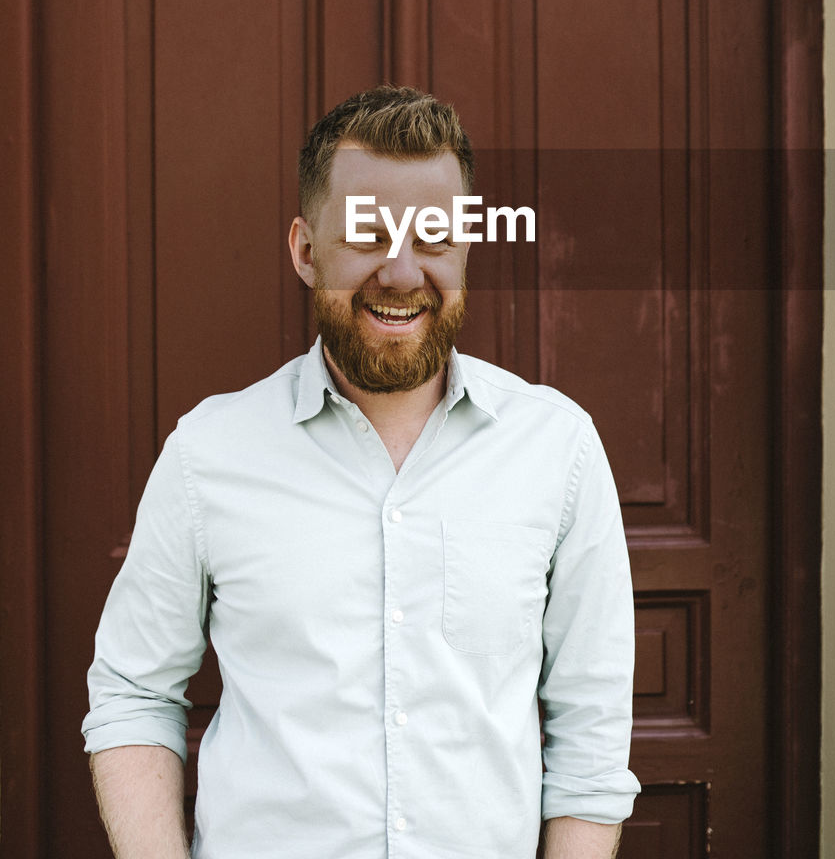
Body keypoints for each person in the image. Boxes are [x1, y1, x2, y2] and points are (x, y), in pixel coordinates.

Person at [83, 85, 640, 859]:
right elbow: (133, 693)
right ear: (307, 252)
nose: (402, 272)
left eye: (433, 236)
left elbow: (590, 735)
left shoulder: (557, 447)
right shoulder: (208, 453)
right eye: (368, 233)